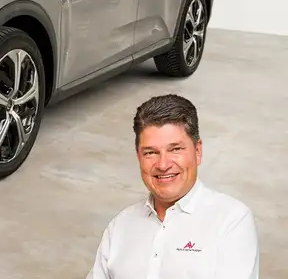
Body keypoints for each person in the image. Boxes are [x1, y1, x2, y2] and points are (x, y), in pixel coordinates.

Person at [86, 94, 260, 279]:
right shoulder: (120, 226)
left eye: (175, 149)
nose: (163, 164)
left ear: (197, 151)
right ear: (139, 157)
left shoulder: (231, 221)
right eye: (150, 152)